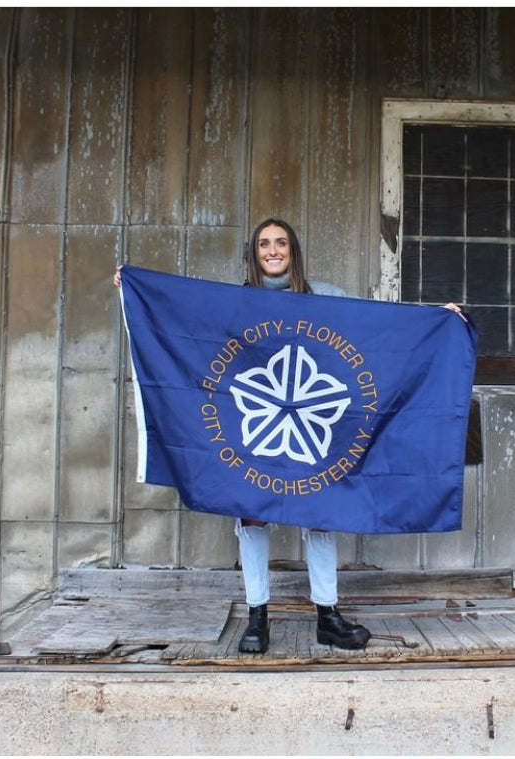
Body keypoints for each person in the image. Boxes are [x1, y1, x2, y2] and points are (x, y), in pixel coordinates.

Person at [115, 218, 464, 655]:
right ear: (254, 252)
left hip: (320, 430)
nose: (273, 250)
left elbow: (378, 328)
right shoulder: (234, 300)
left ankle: (327, 615)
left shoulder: (325, 297)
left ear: (293, 250)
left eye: (281, 243)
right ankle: (257, 615)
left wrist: (437, 319)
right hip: (252, 431)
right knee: (251, 514)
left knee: (321, 513)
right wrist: (134, 290)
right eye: (265, 244)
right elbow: (189, 322)